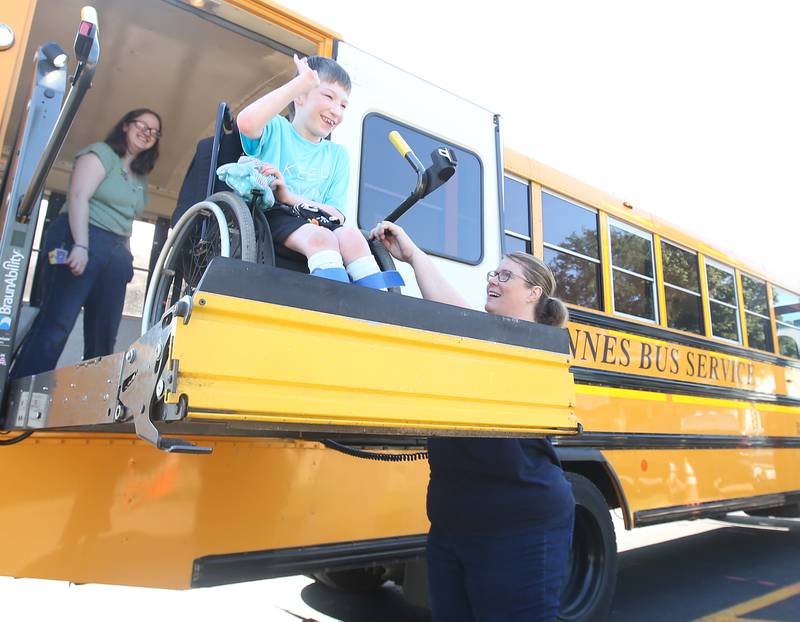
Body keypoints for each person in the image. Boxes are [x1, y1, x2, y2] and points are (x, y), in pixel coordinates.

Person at [370, 220, 575, 622]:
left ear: (534, 292)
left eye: (505, 275)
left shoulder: (537, 343)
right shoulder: (479, 335)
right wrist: (410, 256)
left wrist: (414, 256)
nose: (493, 281)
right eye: (492, 274)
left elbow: (455, 313)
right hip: (452, 525)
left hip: (520, 529)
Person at [12, 108, 162, 379]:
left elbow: (125, 221)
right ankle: (23, 394)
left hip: (115, 250)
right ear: (126, 125)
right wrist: (80, 246)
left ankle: (91, 406)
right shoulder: (100, 154)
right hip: (79, 236)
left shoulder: (140, 178)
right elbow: (79, 196)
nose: (147, 133)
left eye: (153, 131)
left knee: (104, 335)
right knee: (57, 323)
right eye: (142, 125)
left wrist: (126, 260)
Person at [236, 54, 400, 289]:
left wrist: (290, 196)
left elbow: (337, 215)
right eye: (328, 96)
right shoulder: (276, 129)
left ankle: (377, 309)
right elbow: (246, 122)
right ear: (300, 97)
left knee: (352, 236)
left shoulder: (337, 155)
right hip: (273, 214)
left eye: (343, 105)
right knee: (322, 238)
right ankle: (330, 305)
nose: (336, 110)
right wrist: (299, 84)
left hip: (318, 218)